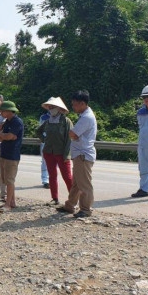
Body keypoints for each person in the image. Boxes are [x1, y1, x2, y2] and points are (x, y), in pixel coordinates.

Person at [57, 90, 98, 218]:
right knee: (76, 182)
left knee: (84, 183)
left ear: (82, 103)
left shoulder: (86, 117)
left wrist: (71, 133)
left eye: (74, 104)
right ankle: (70, 205)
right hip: (80, 153)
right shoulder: (84, 115)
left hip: (83, 154)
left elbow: (73, 134)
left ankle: (86, 209)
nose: (73, 107)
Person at [36, 97, 74, 205]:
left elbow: (69, 139)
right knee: (52, 176)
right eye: (49, 107)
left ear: (58, 108)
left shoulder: (66, 121)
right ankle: (55, 198)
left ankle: (73, 200)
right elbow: (38, 131)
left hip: (62, 153)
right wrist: (44, 140)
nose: (50, 109)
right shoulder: (48, 121)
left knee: (67, 177)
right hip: (48, 152)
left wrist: (67, 155)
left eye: (52, 107)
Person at [0, 100, 23, 212]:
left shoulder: (17, 122)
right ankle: (12, 201)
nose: (1, 112)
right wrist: (4, 136)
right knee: (5, 179)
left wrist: (4, 136)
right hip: (4, 153)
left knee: (10, 180)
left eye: (2, 111)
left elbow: (10, 136)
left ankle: (8, 204)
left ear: (8, 111)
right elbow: (4, 136)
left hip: (12, 154)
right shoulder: (7, 122)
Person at [39, 110, 50, 188]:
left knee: (55, 162)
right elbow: (40, 130)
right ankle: (45, 180)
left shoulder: (61, 117)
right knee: (44, 161)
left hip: (56, 143)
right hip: (45, 142)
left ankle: (52, 179)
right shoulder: (43, 117)